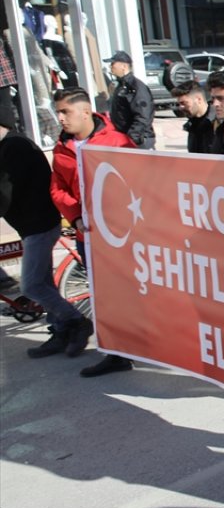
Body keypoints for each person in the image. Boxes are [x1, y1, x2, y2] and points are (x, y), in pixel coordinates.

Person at [46, 88, 137, 377]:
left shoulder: (117, 142)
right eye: (58, 112)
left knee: (129, 294)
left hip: (119, 236)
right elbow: (57, 188)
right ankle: (115, 354)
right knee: (102, 297)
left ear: (86, 112)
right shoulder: (62, 147)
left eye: (65, 112)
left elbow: (137, 182)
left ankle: (141, 346)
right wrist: (75, 216)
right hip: (88, 237)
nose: (60, 118)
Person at [0, 117, 94, 359]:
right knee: (43, 282)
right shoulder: (9, 145)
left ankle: (77, 321)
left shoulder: (14, 147)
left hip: (39, 224)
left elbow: (4, 191)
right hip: (31, 224)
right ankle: (61, 331)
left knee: (31, 285)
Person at [103, 51, 154, 149]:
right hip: (124, 139)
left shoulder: (135, 86)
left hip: (138, 141)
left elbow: (143, 115)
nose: (110, 66)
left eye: (113, 64)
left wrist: (132, 137)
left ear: (124, 66)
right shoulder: (121, 85)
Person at [172, 80, 216, 154]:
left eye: (184, 103)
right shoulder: (192, 124)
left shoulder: (219, 123)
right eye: (179, 104)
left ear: (198, 99)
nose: (181, 107)